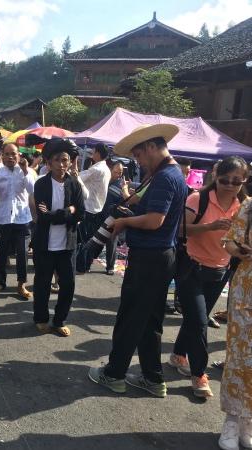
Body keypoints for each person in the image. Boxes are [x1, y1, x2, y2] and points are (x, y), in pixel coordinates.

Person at [88, 124, 188, 398]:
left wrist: (123, 222)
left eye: (139, 156)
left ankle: (114, 374)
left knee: (131, 317)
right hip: (160, 257)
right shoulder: (169, 174)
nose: (138, 162)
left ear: (152, 147)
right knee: (149, 321)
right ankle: (153, 378)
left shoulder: (166, 177)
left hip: (149, 257)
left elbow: (155, 220)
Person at [168, 157, 247, 399]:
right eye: (225, 179)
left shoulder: (244, 206)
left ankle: (178, 355)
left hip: (220, 271)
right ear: (216, 177)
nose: (230, 185)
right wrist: (209, 227)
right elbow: (179, 228)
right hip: (191, 268)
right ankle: (198, 373)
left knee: (194, 320)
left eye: (237, 181)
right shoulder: (198, 199)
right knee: (200, 321)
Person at [31, 139, 85, 337]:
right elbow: (43, 217)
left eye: (65, 160)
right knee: (42, 283)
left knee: (68, 284)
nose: (62, 164)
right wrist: (67, 211)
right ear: (48, 162)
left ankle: (59, 320)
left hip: (67, 244)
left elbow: (82, 214)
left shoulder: (74, 185)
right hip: (44, 244)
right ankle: (41, 318)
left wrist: (58, 213)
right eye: (57, 160)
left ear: (70, 162)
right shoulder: (41, 184)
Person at [218, 196, 252, 450]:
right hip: (247, 290)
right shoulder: (249, 206)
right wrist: (238, 250)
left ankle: (248, 420)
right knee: (239, 355)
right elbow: (229, 242)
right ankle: (232, 418)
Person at [0, 143, 34, 299]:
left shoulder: (27, 172)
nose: (10, 157)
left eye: (13, 154)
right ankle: (0, 281)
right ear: (2, 155)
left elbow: (32, 190)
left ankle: (21, 284)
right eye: (6, 154)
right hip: (4, 218)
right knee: (1, 252)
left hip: (23, 219)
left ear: (19, 155)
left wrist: (26, 171)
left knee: (22, 253)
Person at [75, 143, 111, 274]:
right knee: (89, 239)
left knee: (84, 239)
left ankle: (81, 266)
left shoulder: (96, 169)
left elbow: (78, 178)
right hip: (96, 208)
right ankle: (85, 265)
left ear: (98, 153)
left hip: (89, 208)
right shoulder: (105, 168)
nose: (91, 153)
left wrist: (75, 169)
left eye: (94, 151)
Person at [99, 161, 130, 275]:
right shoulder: (104, 180)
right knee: (94, 240)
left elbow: (126, 204)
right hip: (99, 215)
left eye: (120, 172)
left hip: (113, 217)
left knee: (111, 241)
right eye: (116, 172)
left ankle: (110, 267)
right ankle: (86, 264)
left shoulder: (122, 185)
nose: (117, 174)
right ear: (111, 170)